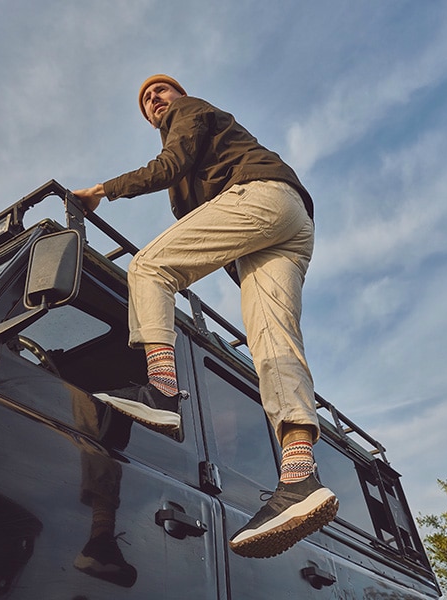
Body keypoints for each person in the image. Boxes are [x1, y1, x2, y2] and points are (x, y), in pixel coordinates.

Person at [73, 74, 338, 559]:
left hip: (263, 197)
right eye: (147, 100)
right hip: (290, 223)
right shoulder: (194, 167)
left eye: (160, 91)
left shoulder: (189, 112)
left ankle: (162, 390)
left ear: (176, 96)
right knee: (272, 342)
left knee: (150, 267)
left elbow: (168, 163)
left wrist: (102, 191)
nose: (155, 99)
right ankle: (300, 476)